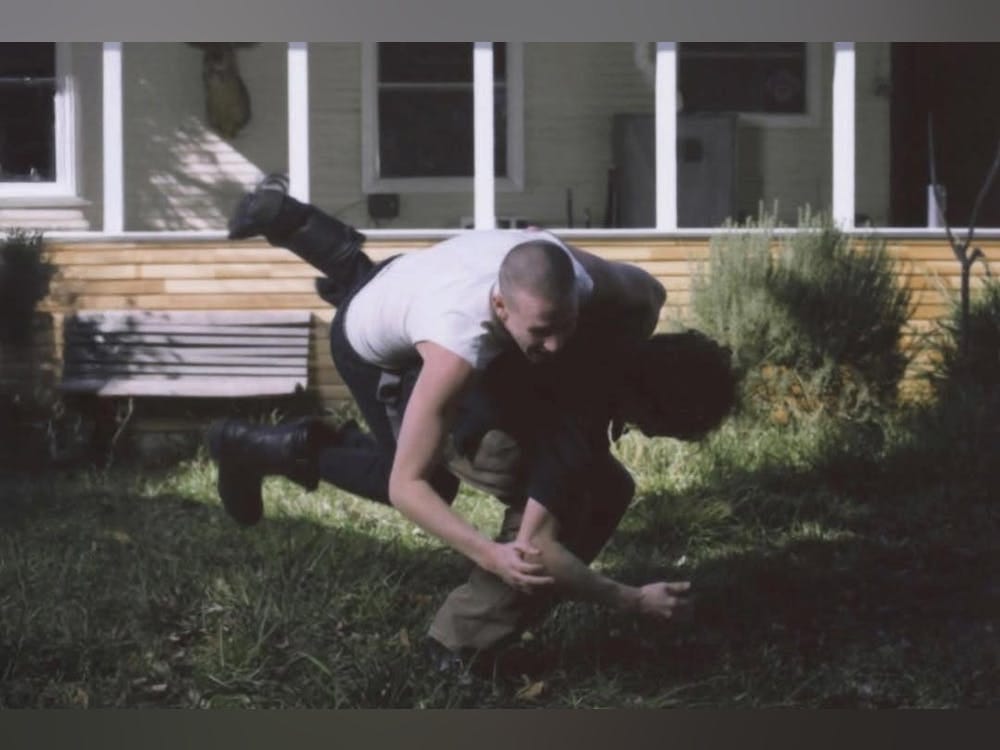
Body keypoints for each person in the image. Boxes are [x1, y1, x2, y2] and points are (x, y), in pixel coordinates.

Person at [206, 175, 737, 669]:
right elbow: (443, 503)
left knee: (514, 417)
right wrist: (623, 596)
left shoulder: (613, 292)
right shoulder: (462, 346)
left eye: (565, 326)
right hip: (369, 340)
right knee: (426, 478)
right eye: (542, 333)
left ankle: (294, 222)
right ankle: (270, 446)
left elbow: (641, 290)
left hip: (410, 276)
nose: (555, 346)